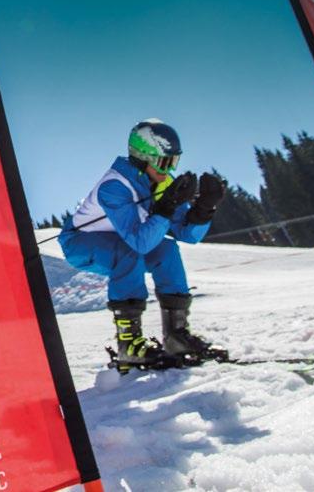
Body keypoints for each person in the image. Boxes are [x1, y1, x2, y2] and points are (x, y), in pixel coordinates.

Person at [58, 118, 226, 370]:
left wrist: (204, 208)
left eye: (174, 162)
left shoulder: (162, 183)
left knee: (167, 250)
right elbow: (140, 242)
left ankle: (176, 336)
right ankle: (130, 344)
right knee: (129, 252)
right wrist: (165, 208)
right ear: (141, 157)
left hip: (125, 240)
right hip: (80, 243)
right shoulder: (114, 186)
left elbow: (188, 234)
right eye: (163, 162)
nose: (168, 170)